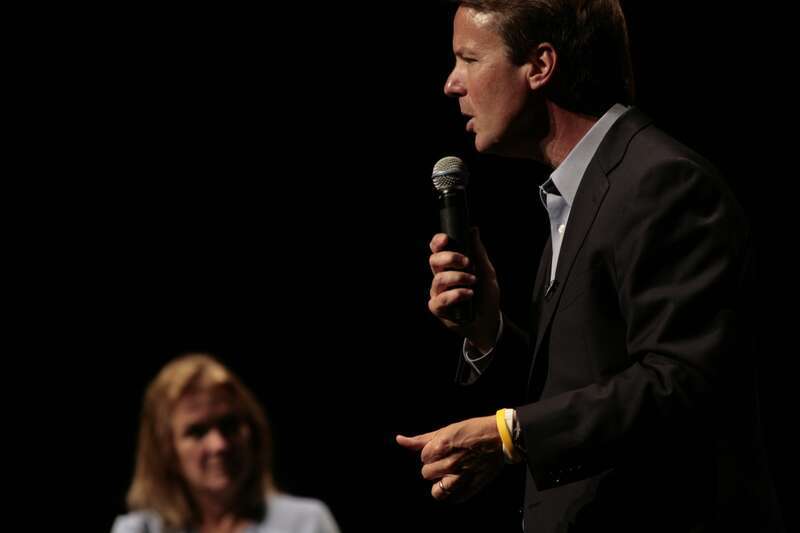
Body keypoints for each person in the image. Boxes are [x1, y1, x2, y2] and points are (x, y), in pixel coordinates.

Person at [396, 1, 783, 531]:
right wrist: (490, 331)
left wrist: (511, 435)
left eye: (468, 58)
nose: (451, 84)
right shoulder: (579, 191)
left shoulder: (661, 182)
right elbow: (578, 384)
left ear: (540, 66)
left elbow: (683, 380)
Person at [112, 353, 340, 533]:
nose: (219, 445)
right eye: (197, 432)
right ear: (167, 449)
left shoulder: (306, 524)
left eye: (229, 425)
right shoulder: (140, 529)